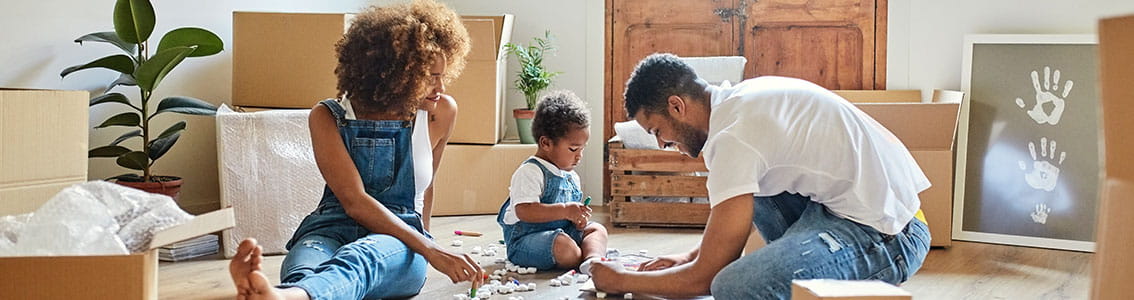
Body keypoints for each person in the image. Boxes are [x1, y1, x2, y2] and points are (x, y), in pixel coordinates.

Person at [590, 53, 932, 299]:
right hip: (851, 210)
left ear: (677, 106)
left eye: (658, 130)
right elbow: (729, 225)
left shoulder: (733, 138)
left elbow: (705, 281)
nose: (663, 144)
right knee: (746, 194)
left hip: (890, 235)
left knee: (734, 285)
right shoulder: (738, 103)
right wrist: (688, 258)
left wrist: (622, 281)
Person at [227, 1, 482, 299]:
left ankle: (287, 296)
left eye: (443, 74)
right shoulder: (328, 116)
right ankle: (290, 292)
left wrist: (425, 246)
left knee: (362, 258)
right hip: (331, 227)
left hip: (401, 239)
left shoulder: (441, 112)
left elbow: (426, 190)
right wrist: (432, 250)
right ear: (395, 73)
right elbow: (354, 202)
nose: (441, 87)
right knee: (303, 265)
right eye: (430, 76)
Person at [496, 90, 609, 272]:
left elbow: (570, 219)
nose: (579, 156)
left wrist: (578, 220)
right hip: (527, 240)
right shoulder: (530, 171)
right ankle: (578, 256)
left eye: (582, 149)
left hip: (562, 234)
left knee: (597, 230)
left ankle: (592, 261)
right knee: (565, 248)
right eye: (573, 149)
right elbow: (524, 211)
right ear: (546, 143)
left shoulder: (571, 176)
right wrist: (565, 210)